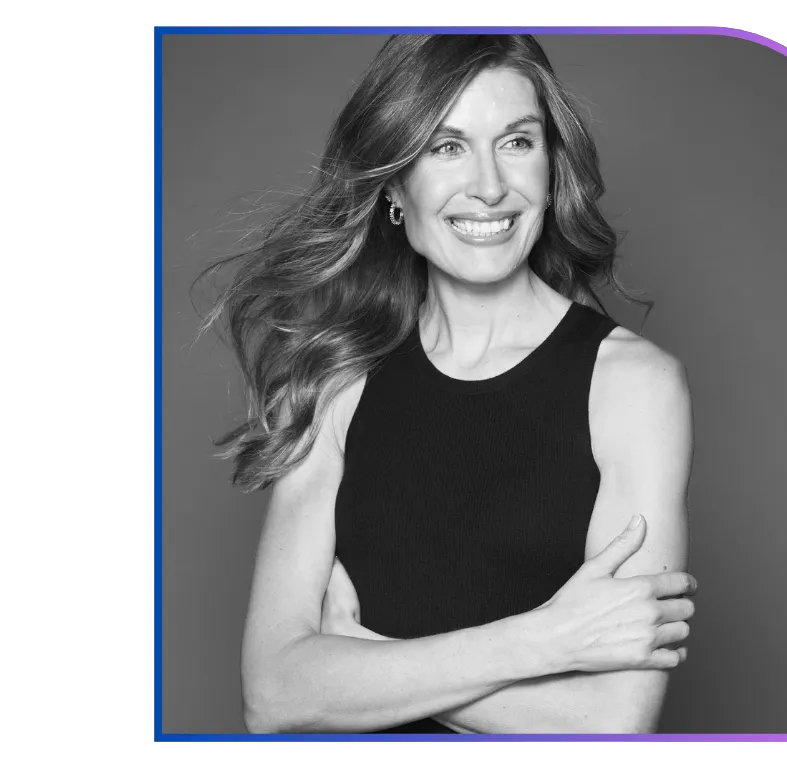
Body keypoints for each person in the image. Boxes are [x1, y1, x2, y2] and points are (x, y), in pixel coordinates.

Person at [196, 33, 697, 735]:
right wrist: (542, 641)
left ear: (552, 167)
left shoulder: (634, 387)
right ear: (394, 185)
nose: (489, 186)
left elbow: (611, 721)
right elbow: (274, 695)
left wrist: (365, 657)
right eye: (446, 147)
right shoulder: (337, 377)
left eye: (517, 142)